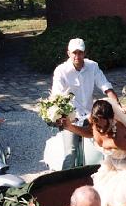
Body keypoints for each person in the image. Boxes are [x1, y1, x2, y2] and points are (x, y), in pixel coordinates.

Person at [52, 38, 121, 170]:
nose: (77, 56)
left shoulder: (92, 66)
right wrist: (62, 118)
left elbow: (105, 86)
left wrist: (117, 103)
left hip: (90, 116)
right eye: (74, 53)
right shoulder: (61, 71)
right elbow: (57, 95)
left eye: (80, 52)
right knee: (70, 153)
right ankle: (65, 184)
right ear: (68, 53)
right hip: (71, 118)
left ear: (85, 53)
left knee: (101, 150)